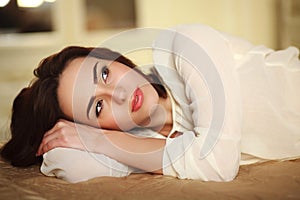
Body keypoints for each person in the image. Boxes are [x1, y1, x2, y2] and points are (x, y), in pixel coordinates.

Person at [1, 24, 299, 183]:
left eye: (104, 72)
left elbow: (218, 165)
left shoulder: (184, 46)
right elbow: (69, 164)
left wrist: (98, 137)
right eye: (98, 108)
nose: (117, 94)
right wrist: (95, 140)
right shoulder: (143, 142)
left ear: (114, 58)